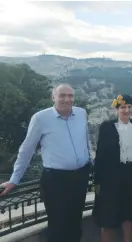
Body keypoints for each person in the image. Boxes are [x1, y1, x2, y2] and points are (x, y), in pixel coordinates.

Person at [0, 84, 92, 242]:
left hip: (80, 177)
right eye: (62, 95)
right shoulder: (40, 118)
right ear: (53, 97)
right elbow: (26, 150)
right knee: (58, 225)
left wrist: (91, 160)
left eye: (70, 96)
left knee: (76, 222)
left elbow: (86, 140)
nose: (67, 99)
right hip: (56, 180)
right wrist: (15, 179)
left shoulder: (81, 113)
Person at [92, 94, 132, 242]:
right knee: (107, 217)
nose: (126, 110)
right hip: (110, 178)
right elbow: (101, 155)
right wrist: (98, 181)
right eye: (123, 107)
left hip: (131, 177)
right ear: (116, 109)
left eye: (129, 107)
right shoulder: (107, 127)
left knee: (129, 217)